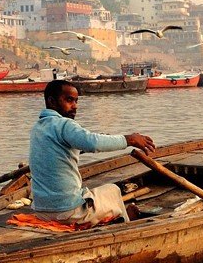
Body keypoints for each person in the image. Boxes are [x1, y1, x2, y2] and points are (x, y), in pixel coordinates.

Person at [29, 79, 154, 223]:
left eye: (76, 101)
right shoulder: (64, 124)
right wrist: (130, 139)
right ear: (52, 102)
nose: (74, 106)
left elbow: (64, 147)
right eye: (69, 100)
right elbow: (93, 143)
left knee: (94, 195)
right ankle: (125, 222)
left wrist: (104, 139)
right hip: (67, 212)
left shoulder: (37, 128)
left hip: (41, 211)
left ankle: (118, 216)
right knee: (113, 190)